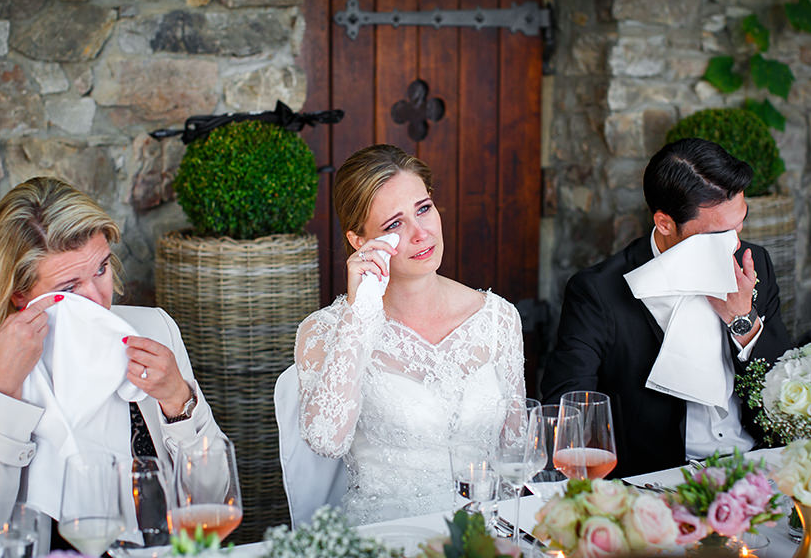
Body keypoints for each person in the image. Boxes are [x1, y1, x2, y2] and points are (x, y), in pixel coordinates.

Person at [0, 177, 224, 556]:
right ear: (20, 294)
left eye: (101, 269)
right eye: (69, 289)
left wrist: (178, 401)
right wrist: (2, 389)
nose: (99, 300)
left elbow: (214, 498)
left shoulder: (152, 330)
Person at [294, 144, 526, 525]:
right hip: (387, 537)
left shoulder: (499, 317)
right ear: (359, 241)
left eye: (423, 209)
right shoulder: (324, 331)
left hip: (485, 532)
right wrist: (359, 314)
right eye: (394, 224)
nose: (421, 233)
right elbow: (325, 440)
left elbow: (515, 453)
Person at [541, 138, 793, 477]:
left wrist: (743, 318)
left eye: (740, 222)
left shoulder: (754, 262)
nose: (734, 243)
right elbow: (566, 412)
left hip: (758, 464)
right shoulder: (598, 291)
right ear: (664, 223)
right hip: (659, 480)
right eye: (718, 234)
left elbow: (783, 382)